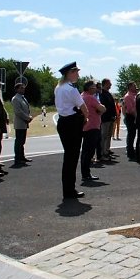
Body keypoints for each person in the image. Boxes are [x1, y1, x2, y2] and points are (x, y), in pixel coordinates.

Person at [55, 62, 87, 199]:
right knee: (72, 158)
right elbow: (83, 107)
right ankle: (70, 190)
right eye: (76, 72)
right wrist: (85, 118)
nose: (78, 75)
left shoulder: (59, 88)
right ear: (70, 73)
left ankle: (67, 189)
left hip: (63, 122)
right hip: (72, 123)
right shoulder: (71, 89)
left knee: (68, 157)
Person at [80, 80, 105, 182]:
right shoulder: (90, 98)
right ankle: (86, 174)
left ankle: (85, 172)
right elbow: (102, 108)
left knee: (85, 151)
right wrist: (100, 109)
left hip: (85, 126)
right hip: (92, 126)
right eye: (95, 87)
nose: (97, 89)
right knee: (89, 151)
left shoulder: (82, 96)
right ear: (90, 88)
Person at [11, 82, 34, 167]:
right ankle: (17, 158)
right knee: (19, 141)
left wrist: (29, 117)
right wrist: (27, 118)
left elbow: (26, 109)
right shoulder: (15, 99)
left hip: (24, 122)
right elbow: (18, 112)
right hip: (20, 122)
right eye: (21, 88)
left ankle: (22, 157)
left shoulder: (23, 98)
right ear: (16, 89)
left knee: (22, 141)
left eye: (23, 88)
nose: (23, 89)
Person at [99, 78, 117, 161]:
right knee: (104, 136)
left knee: (109, 135)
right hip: (105, 118)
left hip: (110, 118)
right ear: (105, 84)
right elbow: (104, 107)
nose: (111, 85)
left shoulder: (108, 94)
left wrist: (114, 115)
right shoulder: (102, 94)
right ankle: (102, 153)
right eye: (109, 83)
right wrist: (109, 115)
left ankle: (107, 151)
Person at [122, 81, 137, 159]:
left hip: (133, 116)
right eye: (134, 85)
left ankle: (131, 149)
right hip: (130, 117)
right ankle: (130, 151)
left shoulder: (134, 95)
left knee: (133, 134)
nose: (136, 87)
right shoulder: (128, 96)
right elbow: (130, 109)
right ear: (130, 87)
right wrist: (136, 116)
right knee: (131, 134)